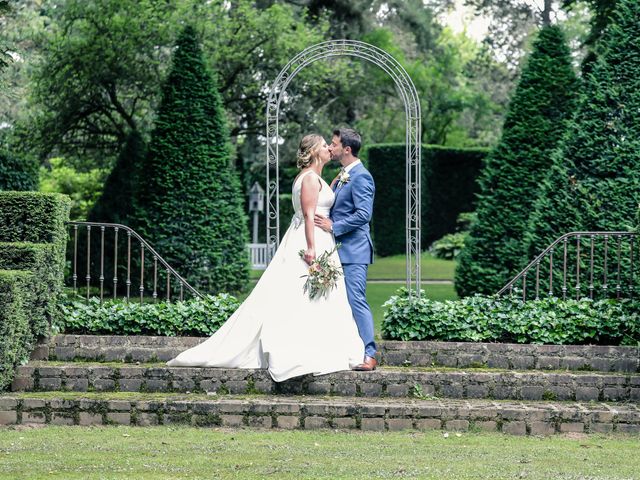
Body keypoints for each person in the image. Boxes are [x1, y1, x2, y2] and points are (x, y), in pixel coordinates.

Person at [167, 134, 364, 382]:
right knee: (305, 295)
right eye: (324, 145)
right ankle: (304, 349)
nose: (328, 149)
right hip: (311, 241)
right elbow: (308, 214)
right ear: (314, 152)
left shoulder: (315, 177)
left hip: (320, 239)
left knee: (314, 296)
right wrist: (312, 250)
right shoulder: (311, 179)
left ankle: (322, 344)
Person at [314, 128, 377, 371]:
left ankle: (370, 354)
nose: (331, 147)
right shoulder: (342, 175)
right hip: (337, 249)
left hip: (354, 251)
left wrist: (333, 226)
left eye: (334, 143)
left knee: (356, 300)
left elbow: (364, 215)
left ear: (346, 149)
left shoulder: (361, 176)